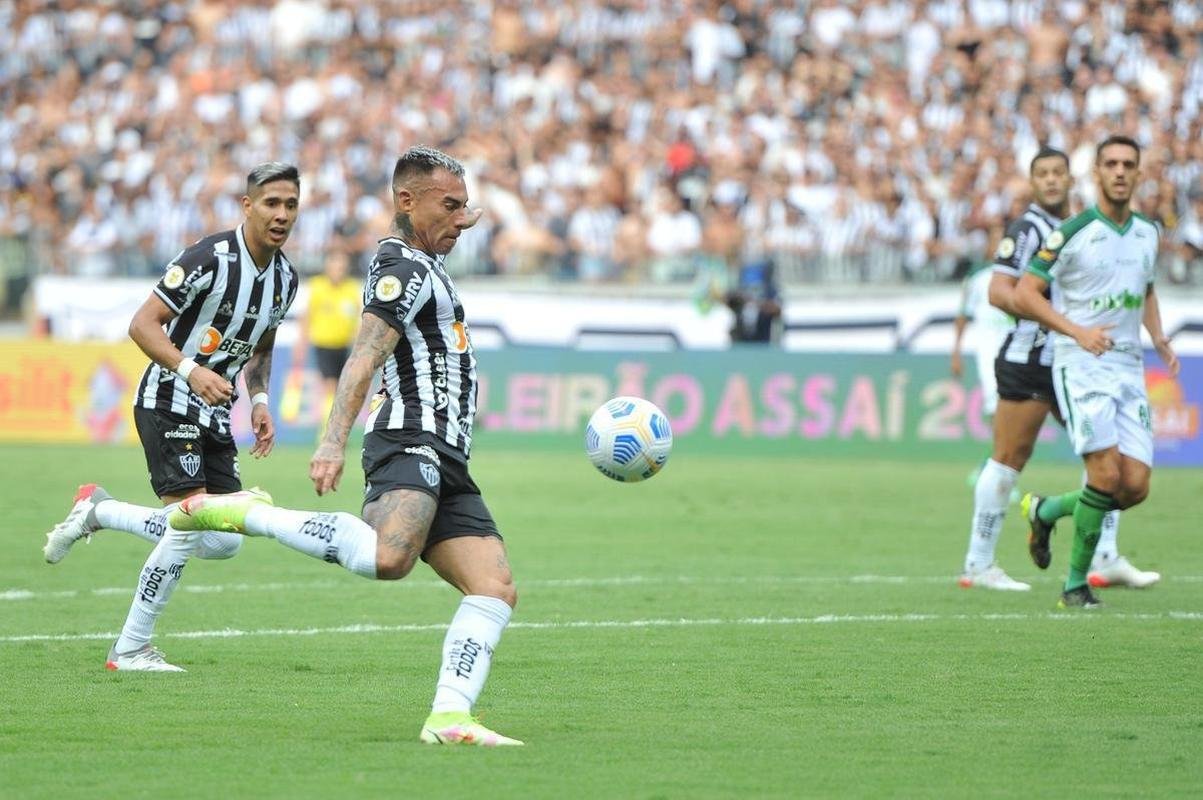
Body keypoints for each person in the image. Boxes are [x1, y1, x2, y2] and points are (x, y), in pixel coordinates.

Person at [169, 146, 522, 747]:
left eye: (465, 207)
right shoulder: (402, 267)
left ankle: (450, 717)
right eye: (451, 206)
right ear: (406, 202)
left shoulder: (427, 263)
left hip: (450, 453)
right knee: (390, 558)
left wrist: (463, 211)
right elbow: (365, 354)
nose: (462, 219)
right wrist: (331, 442)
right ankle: (249, 513)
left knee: (494, 588)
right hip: (411, 438)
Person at [42, 162, 301, 667]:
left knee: (224, 540)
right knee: (188, 523)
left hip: (216, 412)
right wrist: (190, 371)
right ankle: (131, 646)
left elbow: (262, 347)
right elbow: (142, 325)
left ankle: (100, 511)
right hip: (167, 397)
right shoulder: (209, 257)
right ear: (247, 206)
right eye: (271, 203)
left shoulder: (286, 279)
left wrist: (261, 400)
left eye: (291, 204)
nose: (282, 214)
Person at [957, 146, 1155, 591]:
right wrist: (1054, 313)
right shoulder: (1029, 228)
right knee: (1009, 459)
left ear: (1072, 179)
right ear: (1032, 182)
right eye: (1042, 173)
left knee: (1109, 461)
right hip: (1032, 359)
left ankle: (1104, 555)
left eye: (1058, 173)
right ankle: (978, 562)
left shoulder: (1080, 228)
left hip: (1083, 361)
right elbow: (998, 292)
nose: (1050, 180)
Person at [1013, 135, 1178, 608]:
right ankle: (1074, 586)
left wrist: (1159, 335)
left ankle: (1045, 510)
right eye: (1111, 164)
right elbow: (1026, 293)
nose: (1121, 171)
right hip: (1081, 364)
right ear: (1098, 174)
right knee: (1104, 476)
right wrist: (1076, 331)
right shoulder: (1072, 231)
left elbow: (1143, 289)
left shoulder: (1148, 231)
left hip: (1128, 366)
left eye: (1129, 164)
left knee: (1134, 488)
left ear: (1139, 174)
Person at [292, 248, 361, 436]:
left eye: (342, 266)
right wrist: (301, 343)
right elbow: (306, 318)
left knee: (342, 389)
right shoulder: (318, 287)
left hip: (344, 346)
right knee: (330, 385)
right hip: (324, 344)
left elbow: (357, 319)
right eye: (335, 265)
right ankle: (327, 430)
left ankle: (336, 428)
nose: (339, 269)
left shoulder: (351, 288)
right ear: (328, 267)